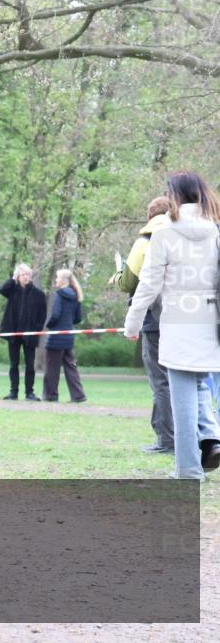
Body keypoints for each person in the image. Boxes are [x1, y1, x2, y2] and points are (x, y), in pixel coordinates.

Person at [124, 170, 220, 479]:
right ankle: (211, 437)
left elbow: (149, 285)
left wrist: (132, 323)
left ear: (174, 197)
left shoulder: (165, 233)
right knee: (200, 384)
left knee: (182, 398)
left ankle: (189, 469)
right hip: (209, 320)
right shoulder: (215, 231)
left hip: (177, 321)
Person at [113, 196, 174, 453]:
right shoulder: (185, 237)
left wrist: (117, 275)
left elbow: (129, 282)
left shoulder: (145, 241)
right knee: (186, 380)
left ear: (150, 216)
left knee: (160, 381)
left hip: (155, 319)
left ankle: (166, 439)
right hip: (187, 318)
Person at [0, 264, 47, 401]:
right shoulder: (12, 290)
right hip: (13, 334)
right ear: (18, 277)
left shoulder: (38, 294)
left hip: (29, 335)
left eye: (27, 274)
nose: (25, 277)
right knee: (14, 364)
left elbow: (42, 316)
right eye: (22, 274)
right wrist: (12, 278)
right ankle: (13, 392)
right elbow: (1, 289)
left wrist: (36, 329)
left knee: (30, 365)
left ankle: (29, 393)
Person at [43, 269, 87, 403]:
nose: (56, 281)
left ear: (63, 281)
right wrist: (68, 323)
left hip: (56, 336)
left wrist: (49, 325)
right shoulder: (76, 296)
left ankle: (50, 396)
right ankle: (78, 396)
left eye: (57, 278)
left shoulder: (60, 295)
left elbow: (55, 314)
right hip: (69, 335)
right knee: (71, 367)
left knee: (52, 368)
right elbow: (78, 318)